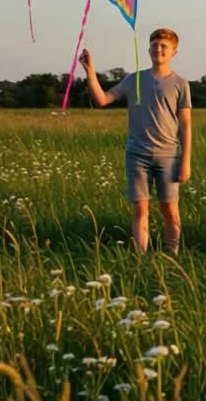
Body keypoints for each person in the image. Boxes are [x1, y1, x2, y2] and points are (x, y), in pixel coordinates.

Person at [81, 28, 192, 254]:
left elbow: (186, 125)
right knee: (140, 209)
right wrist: (90, 71)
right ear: (148, 49)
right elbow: (102, 100)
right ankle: (140, 258)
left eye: (164, 46)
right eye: (154, 45)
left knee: (169, 210)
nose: (158, 49)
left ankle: (172, 256)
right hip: (137, 155)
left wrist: (186, 161)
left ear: (174, 52)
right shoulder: (134, 80)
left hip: (169, 156)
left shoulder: (180, 83)